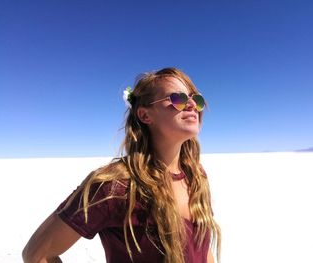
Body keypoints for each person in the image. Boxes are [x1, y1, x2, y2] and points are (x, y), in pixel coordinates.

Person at [22, 67, 221, 263]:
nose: (191, 105)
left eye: (197, 99)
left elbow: (202, 250)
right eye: (178, 98)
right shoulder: (115, 186)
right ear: (145, 115)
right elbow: (37, 255)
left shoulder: (196, 176)